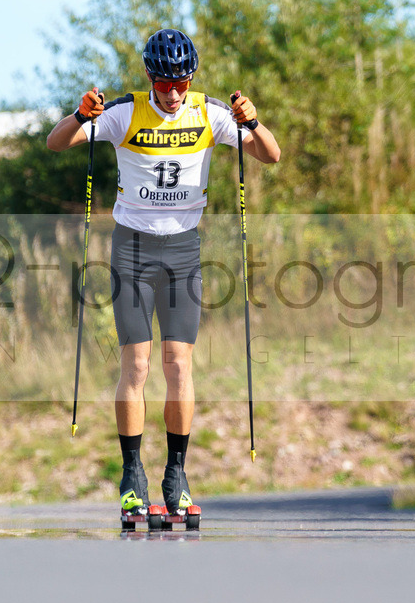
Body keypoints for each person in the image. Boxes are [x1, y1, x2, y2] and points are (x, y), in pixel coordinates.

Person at [47, 29, 280, 518]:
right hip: (132, 250)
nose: (173, 93)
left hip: (183, 252)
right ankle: (132, 475)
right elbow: (56, 143)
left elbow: (270, 154)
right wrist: (80, 115)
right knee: (137, 366)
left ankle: (177, 475)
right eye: (163, 83)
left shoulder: (209, 112)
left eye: (181, 83)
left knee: (179, 366)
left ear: (190, 79)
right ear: (149, 78)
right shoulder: (125, 112)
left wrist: (253, 122)